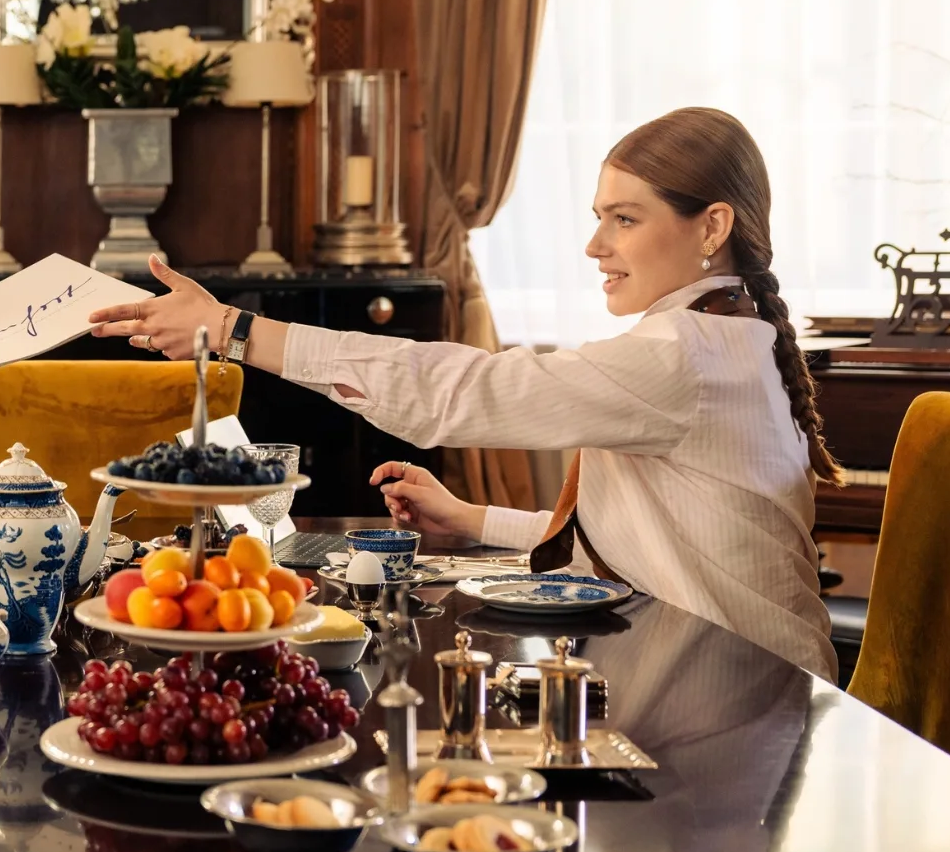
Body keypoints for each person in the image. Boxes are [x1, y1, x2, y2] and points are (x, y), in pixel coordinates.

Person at [88, 107, 839, 678]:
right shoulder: (724, 338)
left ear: (712, 227)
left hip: (741, 690)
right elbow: (645, 541)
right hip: (733, 677)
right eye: (599, 218)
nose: (595, 246)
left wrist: (235, 330)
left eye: (625, 219)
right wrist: (473, 518)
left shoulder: (685, 355)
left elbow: (460, 389)